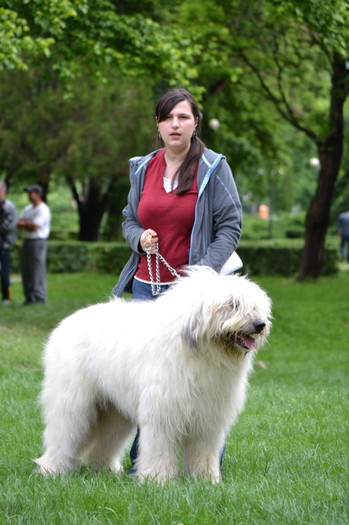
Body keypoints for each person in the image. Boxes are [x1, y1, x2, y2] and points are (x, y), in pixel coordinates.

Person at [112, 88, 242, 474]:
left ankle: (202, 464)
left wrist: (200, 277)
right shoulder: (143, 167)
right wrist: (138, 237)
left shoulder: (213, 168)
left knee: (198, 378)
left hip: (194, 297)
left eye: (183, 117)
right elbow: (129, 218)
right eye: (168, 117)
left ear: (195, 123)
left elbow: (230, 225)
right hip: (144, 288)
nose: (175, 124)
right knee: (151, 381)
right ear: (158, 123)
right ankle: (148, 460)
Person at [17, 184, 51, 304]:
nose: (29, 195)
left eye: (31, 193)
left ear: (38, 194)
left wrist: (25, 224)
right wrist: (28, 224)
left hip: (38, 241)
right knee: (26, 269)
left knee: (37, 269)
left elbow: (35, 227)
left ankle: (40, 297)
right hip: (27, 241)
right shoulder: (27, 209)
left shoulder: (43, 209)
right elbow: (18, 224)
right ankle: (29, 297)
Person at [0, 181, 18, 305]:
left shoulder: (9, 207)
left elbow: (11, 225)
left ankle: (7, 297)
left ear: (4, 191)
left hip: (4, 245)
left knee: (4, 273)